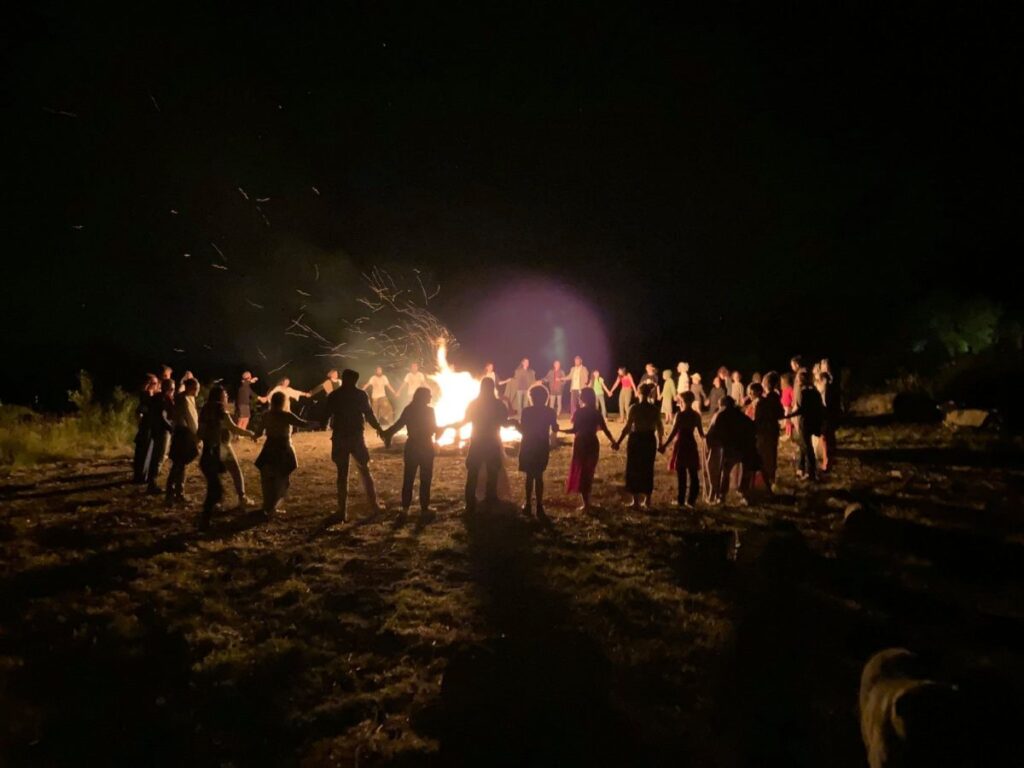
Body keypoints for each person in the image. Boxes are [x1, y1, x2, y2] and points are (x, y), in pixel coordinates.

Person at [327, 369, 385, 521]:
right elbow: (369, 413)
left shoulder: (335, 395)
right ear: (355, 380)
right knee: (364, 469)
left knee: (342, 474)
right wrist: (378, 428)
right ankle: (374, 505)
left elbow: (326, 412)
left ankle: (342, 511)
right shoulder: (360, 395)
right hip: (355, 437)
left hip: (340, 437)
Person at [197, 385, 255, 529]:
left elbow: (201, 430)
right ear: (220, 396)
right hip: (222, 447)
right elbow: (233, 428)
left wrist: (200, 441)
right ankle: (241, 497)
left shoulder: (205, 408)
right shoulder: (220, 409)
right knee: (235, 471)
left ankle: (214, 505)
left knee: (215, 477)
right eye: (225, 394)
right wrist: (250, 433)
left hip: (209, 447)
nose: (227, 396)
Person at [383, 386, 445, 520]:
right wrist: (441, 430)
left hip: (412, 446)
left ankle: (405, 509)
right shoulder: (429, 411)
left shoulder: (409, 409)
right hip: (426, 446)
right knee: (425, 479)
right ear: (423, 397)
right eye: (428, 395)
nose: (431, 397)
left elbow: (398, 425)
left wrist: (387, 433)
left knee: (408, 478)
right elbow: (433, 428)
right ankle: (424, 508)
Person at [454, 378, 516, 512]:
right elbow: (504, 423)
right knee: (492, 470)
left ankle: (470, 501)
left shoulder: (474, 404)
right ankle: (490, 498)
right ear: (492, 388)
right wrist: (515, 423)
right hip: (492, 441)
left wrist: (452, 427)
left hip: (477, 441)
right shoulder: (498, 404)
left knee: (473, 471)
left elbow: (465, 420)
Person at [254, 391, 308, 518]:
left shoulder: (267, 415)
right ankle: (272, 507)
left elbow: (259, 432)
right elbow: (303, 423)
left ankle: (267, 506)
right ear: (284, 402)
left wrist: (254, 435)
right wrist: (318, 422)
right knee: (282, 479)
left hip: (269, 448)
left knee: (267, 479)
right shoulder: (286, 415)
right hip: (283, 449)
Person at [561, 387, 614, 513]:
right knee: (588, 472)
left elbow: (574, 430)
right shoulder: (596, 412)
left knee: (582, 471)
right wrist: (614, 442)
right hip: (592, 442)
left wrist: (560, 430)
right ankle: (587, 502)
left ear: (583, 397)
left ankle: (586, 503)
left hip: (581, 442)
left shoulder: (579, 412)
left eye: (580, 395)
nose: (579, 396)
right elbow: (605, 429)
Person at [613, 382, 663, 510]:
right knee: (647, 468)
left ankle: (635, 500)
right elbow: (659, 427)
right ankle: (647, 500)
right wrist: (661, 443)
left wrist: (618, 442)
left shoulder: (634, 408)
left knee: (634, 469)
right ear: (649, 393)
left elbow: (628, 427)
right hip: (649, 439)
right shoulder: (654, 409)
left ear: (638, 393)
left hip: (636, 439)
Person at [516, 384, 559, 519]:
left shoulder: (527, 411)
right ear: (546, 398)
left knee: (529, 476)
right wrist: (554, 433)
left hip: (529, 445)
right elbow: (555, 428)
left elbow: (523, 430)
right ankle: (539, 505)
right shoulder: (550, 412)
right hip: (541, 446)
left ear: (532, 397)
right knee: (539, 476)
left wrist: (515, 425)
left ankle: (528, 504)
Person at [706, 396, 757, 504]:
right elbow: (752, 426)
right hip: (743, 447)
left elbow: (712, 431)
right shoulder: (739, 414)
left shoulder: (721, 415)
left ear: (723, 404)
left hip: (730, 448)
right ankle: (744, 493)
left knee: (725, 471)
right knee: (744, 471)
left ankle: (722, 495)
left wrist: (710, 444)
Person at [660, 390, 705, 508]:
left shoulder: (680, 415)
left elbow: (674, 432)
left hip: (681, 444)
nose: (679, 403)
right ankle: (691, 500)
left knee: (682, 473)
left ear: (683, 401)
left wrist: (664, 445)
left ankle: (681, 500)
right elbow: (701, 434)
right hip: (691, 444)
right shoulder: (696, 415)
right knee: (693, 472)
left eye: (680, 401)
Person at [166, 377, 200, 505]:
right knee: (178, 464)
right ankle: (171, 493)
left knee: (181, 465)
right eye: (196, 388)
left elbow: (192, 418)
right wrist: (194, 434)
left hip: (188, 434)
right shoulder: (182, 399)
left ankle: (178, 492)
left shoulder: (190, 398)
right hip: (183, 434)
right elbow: (185, 418)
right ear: (190, 387)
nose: (197, 390)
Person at [786, 370, 824, 481]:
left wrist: (788, 416)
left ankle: (811, 472)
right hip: (813, 421)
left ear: (800, 380)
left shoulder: (802, 392)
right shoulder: (815, 391)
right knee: (804, 445)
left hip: (805, 422)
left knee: (807, 447)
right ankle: (801, 468)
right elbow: (819, 406)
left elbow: (800, 408)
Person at [753, 373, 784, 490]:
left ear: (766, 384)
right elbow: (780, 413)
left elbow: (758, 419)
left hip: (764, 431)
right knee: (772, 454)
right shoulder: (775, 398)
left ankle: (766, 480)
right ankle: (771, 478)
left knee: (764, 456)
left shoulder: (764, 401)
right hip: (773, 430)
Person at [145, 378, 176, 494]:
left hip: (156, 430)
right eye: (172, 389)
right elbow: (163, 416)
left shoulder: (157, 397)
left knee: (157, 456)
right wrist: (171, 428)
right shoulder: (163, 399)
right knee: (159, 457)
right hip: (162, 431)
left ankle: (151, 482)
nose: (173, 391)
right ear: (168, 388)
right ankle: (152, 484)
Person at [132, 373, 159, 483]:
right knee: (144, 452)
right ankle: (141, 476)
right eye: (154, 383)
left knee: (144, 452)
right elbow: (141, 411)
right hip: (146, 428)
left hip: (147, 427)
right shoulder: (147, 395)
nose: (156, 385)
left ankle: (141, 475)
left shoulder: (148, 395)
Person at [819, 369, 840, 472]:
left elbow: (826, 404)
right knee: (828, 439)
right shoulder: (832, 389)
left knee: (825, 439)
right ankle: (828, 460)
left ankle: (826, 462)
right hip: (830, 417)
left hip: (827, 417)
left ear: (823, 380)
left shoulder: (827, 390)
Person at [780, 372, 796, 439]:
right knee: (787, 420)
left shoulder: (790, 389)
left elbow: (793, 397)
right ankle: (787, 433)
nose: (781, 383)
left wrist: (791, 405)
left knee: (788, 421)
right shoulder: (784, 389)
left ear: (786, 382)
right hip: (785, 408)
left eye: (782, 382)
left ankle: (789, 435)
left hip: (789, 408)